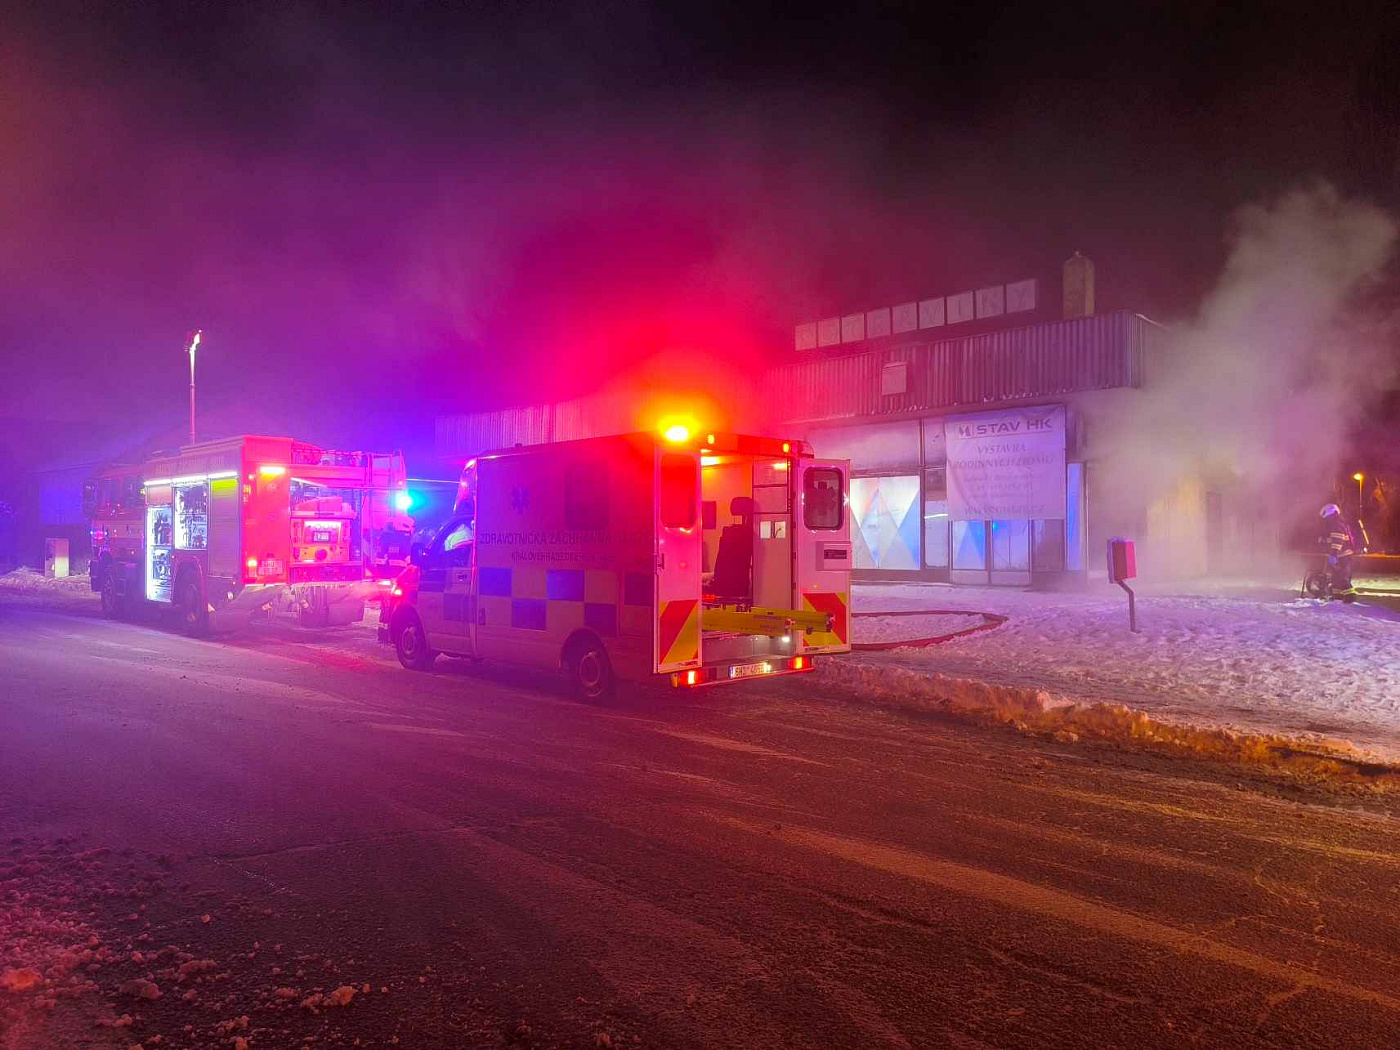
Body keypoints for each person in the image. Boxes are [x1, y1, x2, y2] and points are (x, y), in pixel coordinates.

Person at [1319, 503, 1357, 597]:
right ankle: (1337, 597)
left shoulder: (1335, 524)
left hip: (1342, 556)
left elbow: (1338, 539)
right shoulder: (1335, 523)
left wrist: (1333, 554)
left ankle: (1350, 597)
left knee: (1342, 578)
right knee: (1336, 578)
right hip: (1340, 556)